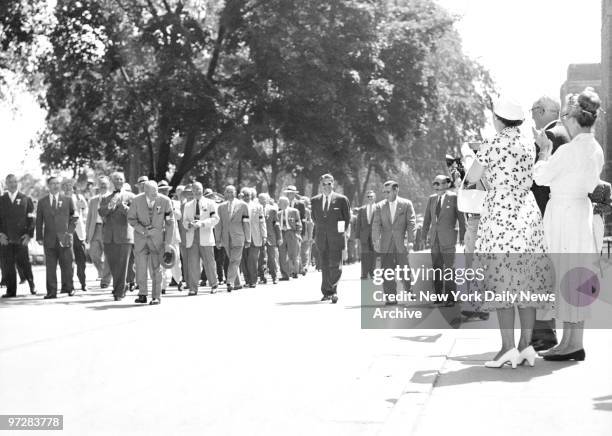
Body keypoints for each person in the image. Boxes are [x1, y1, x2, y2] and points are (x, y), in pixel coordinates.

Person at [466, 96, 552, 368]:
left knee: (502, 280)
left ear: (498, 119)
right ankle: (526, 345)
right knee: (525, 281)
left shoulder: (492, 143)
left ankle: (507, 348)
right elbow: (533, 175)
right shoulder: (528, 144)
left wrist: (487, 175)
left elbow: (471, 177)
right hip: (526, 211)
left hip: (500, 213)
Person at [533, 88, 604, 362]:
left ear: (574, 119)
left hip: (562, 212)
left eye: (564, 117)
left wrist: (544, 152)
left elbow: (541, 177)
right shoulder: (594, 148)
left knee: (563, 272)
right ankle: (572, 342)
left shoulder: (570, 151)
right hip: (580, 212)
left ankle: (569, 343)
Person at [529, 95, 570, 351]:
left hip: (545, 213)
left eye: (534, 110)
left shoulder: (550, 136)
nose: (532, 116)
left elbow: (539, 181)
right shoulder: (564, 133)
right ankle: (545, 329)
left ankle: (544, 331)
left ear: (543, 110)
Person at [128, 180, 175, 305]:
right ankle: (142, 294)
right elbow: (131, 219)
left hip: (157, 240)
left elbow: (170, 222)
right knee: (140, 267)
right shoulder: (136, 200)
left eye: (157, 191)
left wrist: (168, 243)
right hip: (140, 240)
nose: (156, 194)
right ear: (145, 191)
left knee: (156, 268)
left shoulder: (165, 201)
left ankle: (156, 296)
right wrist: (142, 230)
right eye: (153, 192)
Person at [421, 175, 465, 304]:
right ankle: (439, 296)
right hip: (434, 238)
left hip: (448, 239)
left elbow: (461, 218)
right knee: (437, 268)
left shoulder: (454, 198)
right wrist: (423, 236)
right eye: (434, 183)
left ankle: (451, 298)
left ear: (446, 184)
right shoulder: (431, 199)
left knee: (449, 268)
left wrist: (463, 236)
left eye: (438, 183)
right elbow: (426, 220)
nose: (435, 186)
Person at [371, 180, 416, 304]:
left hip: (401, 243)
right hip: (386, 244)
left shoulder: (406, 204)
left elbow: (411, 223)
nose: (385, 195)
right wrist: (376, 240)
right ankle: (391, 297)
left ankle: (409, 289)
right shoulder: (380, 206)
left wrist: (411, 241)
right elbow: (376, 225)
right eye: (384, 192)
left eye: (388, 192)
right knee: (387, 271)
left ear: (396, 190)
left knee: (405, 270)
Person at [310, 174, 350, 303]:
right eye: (324, 184)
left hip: (336, 238)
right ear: (320, 185)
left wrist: (340, 233)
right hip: (321, 238)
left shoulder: (341, 199)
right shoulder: (314, 200)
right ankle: (326, 292)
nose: (327, 186)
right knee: (325, 265)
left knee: (335, 265)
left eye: (329, 183)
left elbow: (346, 219)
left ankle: (333, 290)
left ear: (333, 184)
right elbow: (314, 218)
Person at [36, 176, 78, 299]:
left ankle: (70, 288)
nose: (55, 185)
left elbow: (74, 218)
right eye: (53, 183)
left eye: (57, 183)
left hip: (65, 238)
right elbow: (39, 221)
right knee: (50, 267)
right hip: (49, 239)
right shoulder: (42, 201)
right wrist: (39, 236)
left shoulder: (68, 200)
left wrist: (69, 233)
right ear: (48, 186)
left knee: (67, 265)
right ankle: (51, 292)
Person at [99, 172, 135, 301]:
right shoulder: (106, 197)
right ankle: (122, 285)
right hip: (109, 237)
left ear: (124, 181)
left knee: (123, 264)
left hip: (125, 235)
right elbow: (101, 211)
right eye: (116, 179)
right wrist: (110, 206)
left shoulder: (131, 196)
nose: (118, 181)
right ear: (112, 181)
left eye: (120, 179)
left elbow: (134, 214)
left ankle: (118, 291)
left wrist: (122, 207)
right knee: (114, 265)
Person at [0, 174, 36, 297]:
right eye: (10, 182)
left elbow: (31, 219)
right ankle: (11, 291)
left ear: (18, 183)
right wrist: (0, 235)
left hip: (21, 238)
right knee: (8, 265)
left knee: (24, 263)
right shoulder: (1, 199)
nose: (13, 184)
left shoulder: (26, 199)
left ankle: (32, 284)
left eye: (15, 181)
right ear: (6, 184)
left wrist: (29, 235)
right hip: (6, 239)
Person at [183, 182, 219, 295]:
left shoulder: (210, 203)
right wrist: (189, 224)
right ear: (191, 191)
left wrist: (202, 223)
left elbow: (215, 219)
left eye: (199, 189)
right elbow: (184, 221)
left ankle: (214, 284)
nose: (197, 191)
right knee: (193, 264)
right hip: (192, 237)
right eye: (194, 189)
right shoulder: (188, 205)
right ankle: (193, 288)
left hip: (206, 237)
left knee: (209, 263)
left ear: (202, 190)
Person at [215, 185, 251, 292]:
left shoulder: (243, 205)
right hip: (226, 238)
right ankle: (238, 283)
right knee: (232, 260)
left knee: (235, 260)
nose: (229, 194)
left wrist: (248, 239)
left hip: (238, 237)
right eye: (227, 192)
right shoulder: (220, 207)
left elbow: (246, 223)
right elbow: (218, 225)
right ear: (224, 193)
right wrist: (218, 239)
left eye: (231, 191)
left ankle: (229, 281)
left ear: (235, 192)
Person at [62, 178, 88, 293]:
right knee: (68, 260)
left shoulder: (79, 197)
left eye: (70, 185)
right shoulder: (61, 199)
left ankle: (83, 283)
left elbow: (85, 212)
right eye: (66, 185)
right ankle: (69, 286)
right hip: (67, 232)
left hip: (79, 232)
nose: (68, 187)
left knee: (81, 260)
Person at [86, 176, 112, 288]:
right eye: (101, 183)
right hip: (95, 229)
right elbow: (89, 218)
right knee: (93, 254)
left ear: (109, 185)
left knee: (108, 255)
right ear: (98, 185)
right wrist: (88, 233)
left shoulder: (113, 198)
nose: (103, 185)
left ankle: (106, 279)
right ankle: (102, 271)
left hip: (108, 229)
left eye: (105, 183)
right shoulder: (93, 200)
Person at [158, 181, 183, 294]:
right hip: (160, 235)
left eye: (165, 190)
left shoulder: (175, 203)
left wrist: (170, 208)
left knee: (175, 259)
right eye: (162, 190)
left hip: (172, 235)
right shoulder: (156, 203)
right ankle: (162, 286)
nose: (164, 191)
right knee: (161, 260)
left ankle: (179, 281)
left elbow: (178, 216)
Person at [258, 193, 281, 284]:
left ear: (267, 200)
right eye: (260, 199)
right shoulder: (256, 209)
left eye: (264, 199)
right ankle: (262, 277)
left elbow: (277, 225)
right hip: (259, 237)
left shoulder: (272, 210)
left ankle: (274, 277)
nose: (262, 201)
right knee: (261, 258)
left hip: (271, 237)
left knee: (272, 258)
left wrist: (279, 237)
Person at [277, 196, 302, 281]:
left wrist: (297, 233)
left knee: (293, 254)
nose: (278, 204)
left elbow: (298, 222)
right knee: (282, 255)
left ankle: (294, 272)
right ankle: (285, 275)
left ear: (285, 203)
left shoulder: (294, 211)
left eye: (279, 202)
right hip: (281, 234)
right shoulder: (278, 213)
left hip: (291, 232)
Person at [284, 186, 307, 275]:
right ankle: (291, 270)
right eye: (289, 193)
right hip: (285, 231)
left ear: (294, 194)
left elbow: (303, 219)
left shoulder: (300, 204)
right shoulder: (283, 203)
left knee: (296, 250)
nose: (290, 194)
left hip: (296, 231)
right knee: (288, 252)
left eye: (292, 193)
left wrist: (302, 232)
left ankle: (297, 269)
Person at [355, 190, 377, 279]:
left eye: (371, 196)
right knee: (364, 255)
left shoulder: (379, 208)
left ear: (374, 197)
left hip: (375, 236)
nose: (370, 198)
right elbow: (358, 224)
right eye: (368, 197)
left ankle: (372, 273)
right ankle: (364, 274)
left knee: (373, 255)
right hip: (364, 236)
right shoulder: (361, 209)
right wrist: (357, 236)